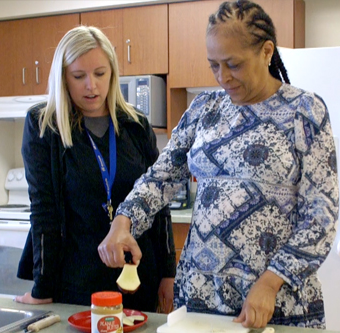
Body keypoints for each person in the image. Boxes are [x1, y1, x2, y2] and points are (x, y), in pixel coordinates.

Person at [98, 0, 339, 329]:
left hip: (276, 301)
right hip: (200, 298)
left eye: (233, 64)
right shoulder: (204, 108)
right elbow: (160, 178)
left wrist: (270, 282)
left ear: (267, 52)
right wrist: (123, 222)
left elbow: (321, 216)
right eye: (214, 65)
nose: (222, 77)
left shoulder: (304, 111)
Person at [14, 25, 176, 313]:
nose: (92, 86)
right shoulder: (44, 126)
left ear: (112, 72)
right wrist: (42, 288)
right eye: (79, 76)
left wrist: (168, 273)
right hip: (76, 282)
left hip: (138, 278)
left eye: (100, 74)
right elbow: (44, 212)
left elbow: (159, 204)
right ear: (63, 77)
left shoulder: (135, 125)